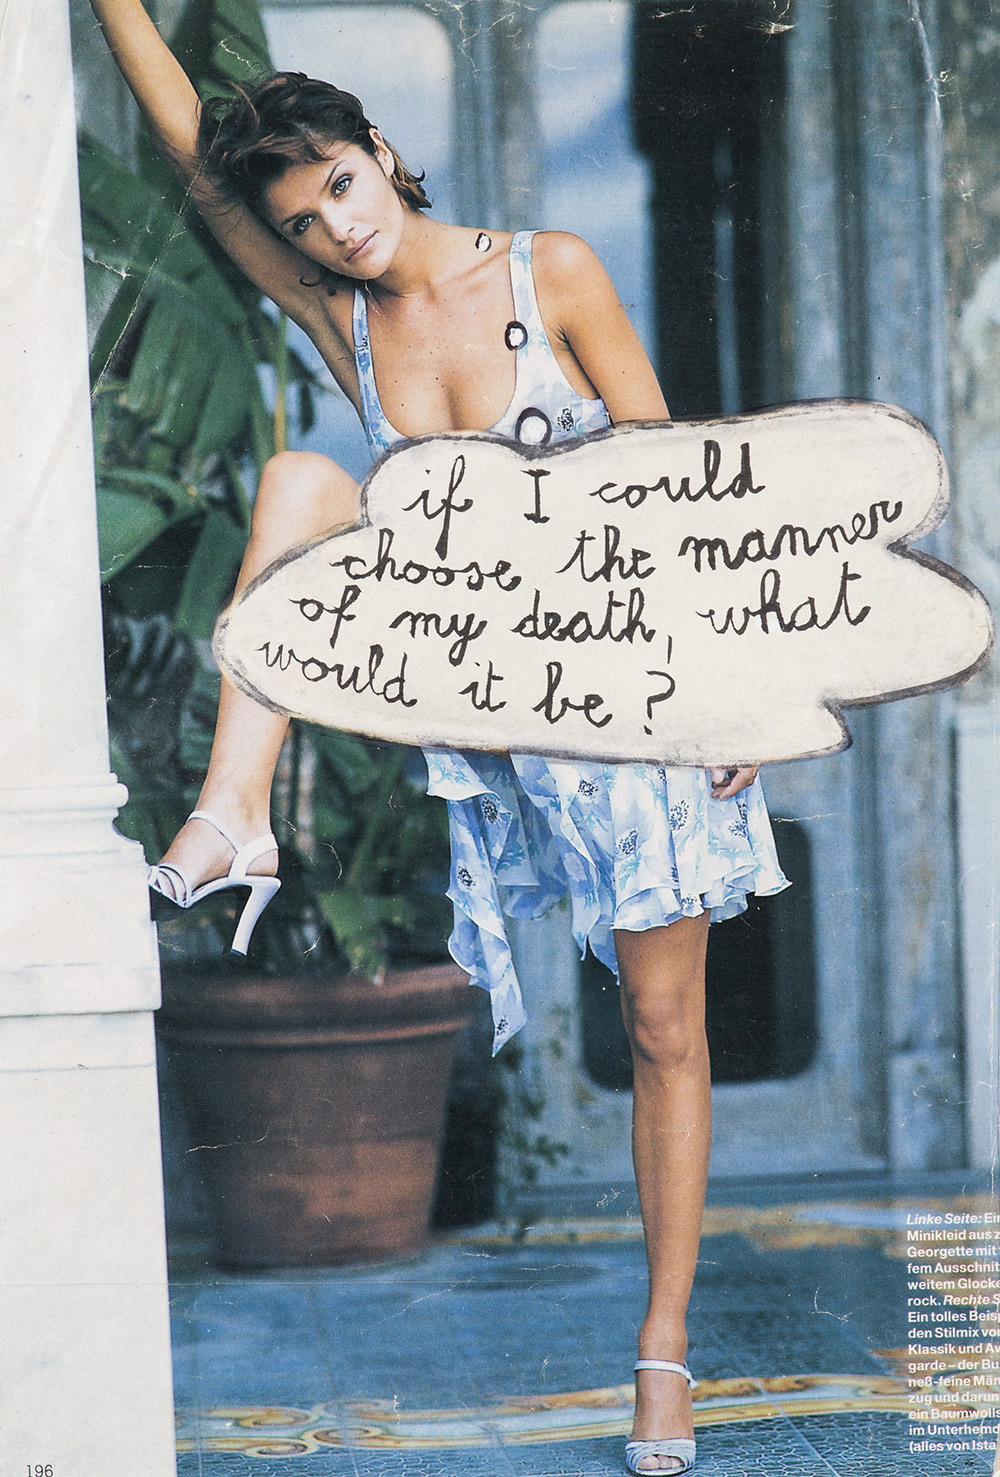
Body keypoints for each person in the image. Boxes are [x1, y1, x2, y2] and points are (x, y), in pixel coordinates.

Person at [86, 4, 787, 1470]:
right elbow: (197, 163)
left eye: (342, 185)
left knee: (664, 1029)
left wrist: (732, 688)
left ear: (381, 150)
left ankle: (662, 1354)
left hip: (630, 686)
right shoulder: (339, 314)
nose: (335, 229)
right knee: (300, 482)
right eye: (304, 219)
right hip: (482, 690)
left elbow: (674, 492)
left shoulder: (552, 270)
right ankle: (235, 810)